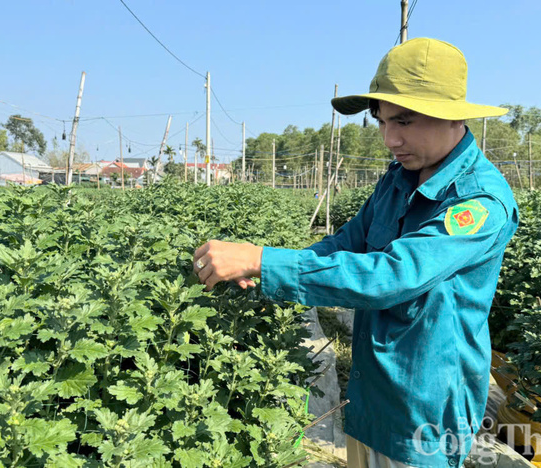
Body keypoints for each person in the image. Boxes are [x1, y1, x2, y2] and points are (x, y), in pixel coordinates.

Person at [193, 37, 519, 467]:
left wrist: (262, 259)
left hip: (423, 411)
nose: (390, 138)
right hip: (370, 396)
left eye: (404, 121)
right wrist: (266, 270)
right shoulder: (399, 178)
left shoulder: (478, 202)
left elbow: (391, 277)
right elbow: (346, 242)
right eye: (382, 122)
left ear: (453, 116)